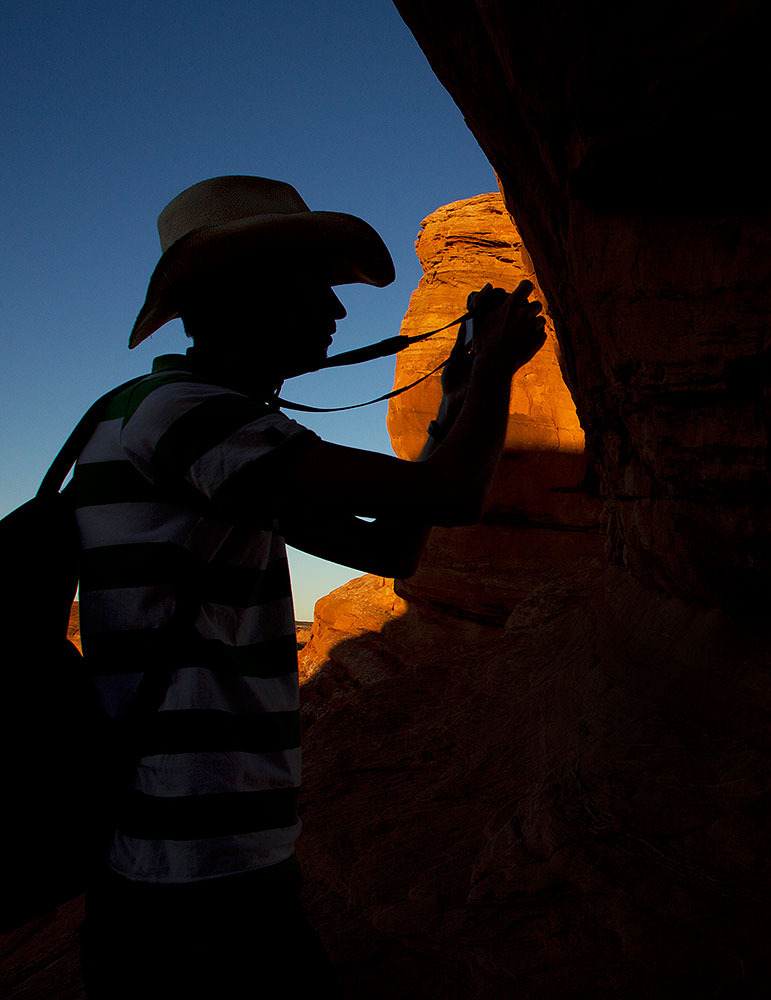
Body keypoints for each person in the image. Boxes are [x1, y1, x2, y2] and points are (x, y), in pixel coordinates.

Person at [71, 176, 545, 997]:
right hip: (193, 873)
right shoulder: (193, 416)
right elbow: (451, 500)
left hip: (195, 862)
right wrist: (497, 373)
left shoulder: (191, 429)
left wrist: (456, 396)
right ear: (242, 296)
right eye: (313, 287)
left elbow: (393, 550)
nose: (336, 313)